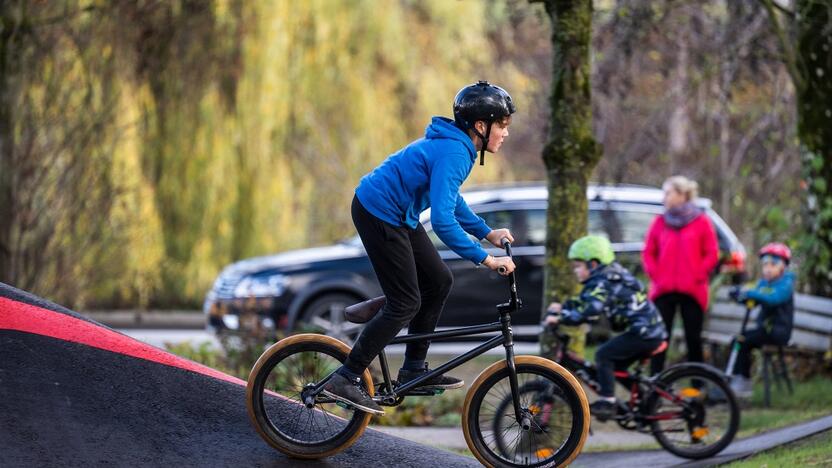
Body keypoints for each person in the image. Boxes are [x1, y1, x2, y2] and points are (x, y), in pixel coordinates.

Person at [321, 81, 518, 415]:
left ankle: (413, 369)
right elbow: (442, 221)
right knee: (406, 302)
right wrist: (485, 259)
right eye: (502, 125)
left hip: (398, 214)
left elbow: (450, 200)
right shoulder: (455, 151)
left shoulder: (457, 147)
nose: (506, 133)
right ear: (481, 126)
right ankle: (346, 375)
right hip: (378, 211)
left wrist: (488, 233)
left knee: (439, 281)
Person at [544, 235, 667, 421]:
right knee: (616, 366)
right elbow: (586, 301)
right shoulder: (604, 277)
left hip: (645, 333)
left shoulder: (604, 281)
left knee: (603, 354)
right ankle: (647, 400)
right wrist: (564, 307)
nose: (575, 271)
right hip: (648, 331)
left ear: (593, 264)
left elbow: (592, 309)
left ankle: (607, 402)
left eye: (578, 266)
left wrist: (561, 318)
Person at [644, 176, 719, 375]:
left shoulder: (702, 221)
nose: (664, 197)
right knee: (660, 339)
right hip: (663, 290)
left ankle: (697, 384)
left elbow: (712, 253)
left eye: (668, 192)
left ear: (682, 194)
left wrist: (697, 275)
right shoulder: (659, 222)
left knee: (693, 339)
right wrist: (657, 275)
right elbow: (649, 252)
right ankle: (655, 381)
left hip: (692, 291)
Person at [728, 243, 795, 398]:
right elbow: (755, 299)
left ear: (783, 267)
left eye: (773, 264)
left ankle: (744, 384)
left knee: (744, 341)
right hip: (765, 330)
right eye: (765, 264)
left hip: (778, 332)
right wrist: (740, 297)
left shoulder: (786, 284)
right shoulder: (764, 284)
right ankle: (738, 377)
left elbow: (773, 298)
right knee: (738, 340)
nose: (768, 268)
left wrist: (751, 293)